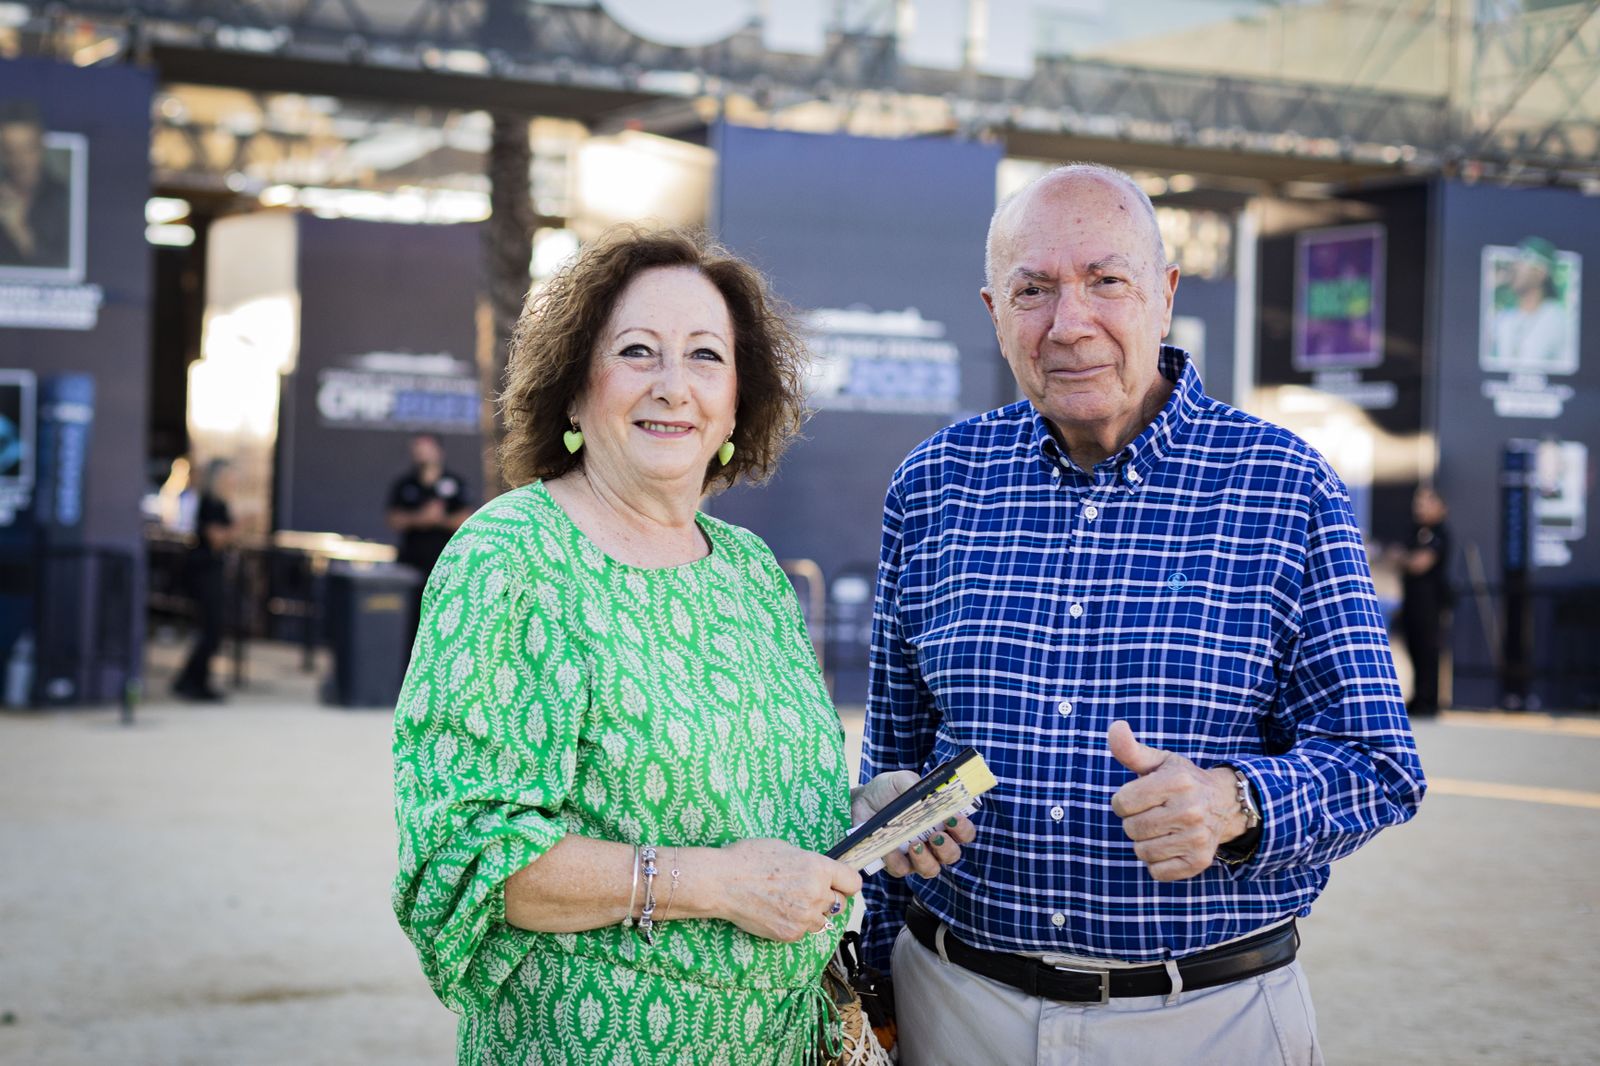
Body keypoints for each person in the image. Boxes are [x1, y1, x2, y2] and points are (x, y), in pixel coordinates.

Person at [859, 164, 1426, 1065]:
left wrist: (1235, 801)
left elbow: (1382, 767)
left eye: (1105, 281)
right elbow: (894, 751)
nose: (1069, 322)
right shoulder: (935, 484)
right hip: (952, 1007)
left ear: (1164, 295)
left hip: (1206, 1018)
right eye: (1032, 289)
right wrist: (879, 962)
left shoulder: (1284, 487)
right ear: (994, 310)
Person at [390, 226, 972, 1065]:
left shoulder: (749, 572)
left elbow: (750, 811)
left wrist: (860, 817)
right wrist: (717, 885)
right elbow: (469, 858)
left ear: (738, 401)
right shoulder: (511, 559)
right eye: (637, 351)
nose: (674, 387)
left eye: (705, 356)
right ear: (575, 389)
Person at [385, 432, 471, 655]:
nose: (421, 453)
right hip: (410, 567)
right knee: (408, 623)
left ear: (438, 451)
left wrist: (439, 519)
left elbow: (467, 519)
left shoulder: (454, 482)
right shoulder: (404, 484)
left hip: (445, 566)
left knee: (442, 621)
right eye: (417, 448)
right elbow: (394, 519)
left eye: (426, 447)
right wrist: (421, 518)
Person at [172, 458, 235, 702]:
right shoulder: (210, 503)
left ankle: (193, 680)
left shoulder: (218, 503)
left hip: (210, 571)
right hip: (204, 572)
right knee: (210, 629)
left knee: (213, 629)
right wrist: (242, 525)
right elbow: (216, 539)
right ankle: (192, 682)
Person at [1397, 486, 1451, 718]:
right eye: (1416, 504)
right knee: (1414, 648)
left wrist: (1402, 558)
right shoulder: (1415, 531)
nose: (1419, 509)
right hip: (1411, 602)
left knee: (1428, 650)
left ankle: (1430, 700)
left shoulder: (1439, 534)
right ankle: (1419, 697)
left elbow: (1419, 563)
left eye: (1424, 503)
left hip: (1430, 604)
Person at [0, 100, 71, 270]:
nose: (19, 160)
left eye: (27, 148)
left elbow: (65, 269)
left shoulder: (64, 197)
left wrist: (19, 230)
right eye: (10, 150)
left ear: (41, 147)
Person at [1488, 237, 1570, 374]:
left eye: (1521, 264)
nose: (1513, 269)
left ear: (1540, 273)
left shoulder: (1558, 319)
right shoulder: (1504, 318)